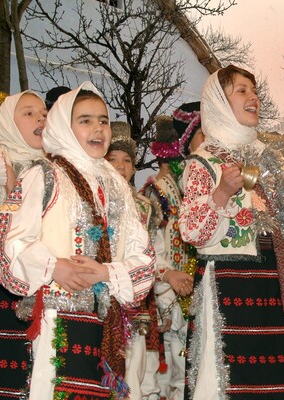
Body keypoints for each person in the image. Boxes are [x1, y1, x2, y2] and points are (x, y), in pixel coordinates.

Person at [0, 82, 155, 399]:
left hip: (108, 326)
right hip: (58, 320)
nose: (98, 128)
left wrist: (108, 272)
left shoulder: (117, 186)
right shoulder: (44, 175)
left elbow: (145, 257)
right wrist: (54, 267)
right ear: (64, 125)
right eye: (86, 120)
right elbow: (8, 237)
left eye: (103, 120)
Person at [179, 65, 284, 399]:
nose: (253, 97)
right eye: (241, 90)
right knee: (225, 382)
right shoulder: (203, 163)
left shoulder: (271, 161)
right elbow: (192, 231)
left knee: (270, 385)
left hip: (270, 286)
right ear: (219, 103)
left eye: (253, 91)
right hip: (228, 285)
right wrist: (221, 194)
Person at [0, 91, 47, 400]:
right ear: (6, 124)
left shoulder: (55, 172)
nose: (41, 117)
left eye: (43, 112)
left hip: (43, 287)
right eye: (28, 113)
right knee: (0, 383)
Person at [140, 104, 202, 400]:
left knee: (189, 371)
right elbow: (152, 247)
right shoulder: (157, 190)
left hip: (193, 291)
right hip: (172, 294)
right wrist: (165, 293)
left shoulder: (189, 185)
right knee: (176, 373)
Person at [106, 120, 164, 400]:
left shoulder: (145, 206)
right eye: (113, 159)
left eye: (127, 160)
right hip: (103, 295)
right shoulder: (95, 198)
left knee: (135, 372)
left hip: (134, 302)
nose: (120, 166)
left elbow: (149, 252)